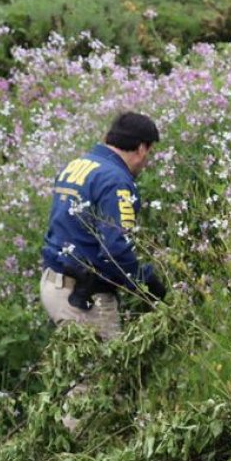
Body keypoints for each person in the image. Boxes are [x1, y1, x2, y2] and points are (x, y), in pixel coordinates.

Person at [40, 111, 167, 341]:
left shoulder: (79, 165)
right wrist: (146, 283)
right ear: (141, 149)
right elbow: (116, 249)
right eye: (149, 152)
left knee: (82, 373)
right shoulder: (116, 180)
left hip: (55, 284)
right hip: (82, 299)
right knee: (105, 374)